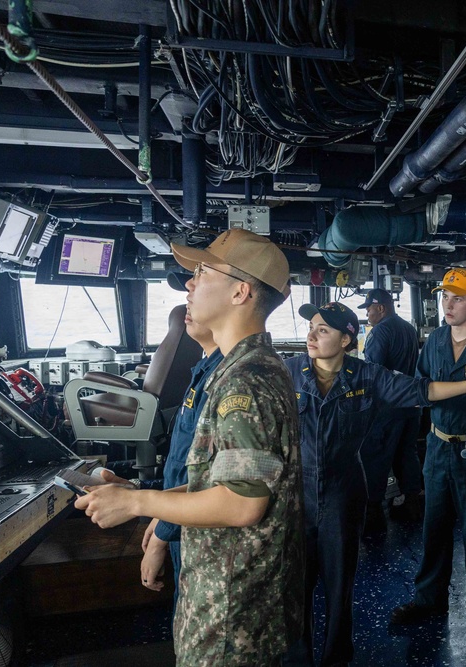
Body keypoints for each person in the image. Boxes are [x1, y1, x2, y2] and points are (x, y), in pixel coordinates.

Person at [75, 229, 304, 667]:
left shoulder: (247, 380)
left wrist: (138, 502)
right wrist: (138, 498)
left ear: (240, 292)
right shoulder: (235, 369)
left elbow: (242, 504)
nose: (190, 284)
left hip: (233, 608)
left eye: (202, 272)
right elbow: (217, 483)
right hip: (223, 594)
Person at [285, 301, 466, 666]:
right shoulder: (287, 371)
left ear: (347, 339)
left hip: (342, 492)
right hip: (294, 492)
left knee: (340, 587)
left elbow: (422, 390)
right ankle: (297, 660)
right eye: (312, 328)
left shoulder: (366, 376)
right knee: (293, 588)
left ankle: (336, 658)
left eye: (323, 330)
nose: (311, 336)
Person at [389, 268, 466, 642]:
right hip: (439, 447)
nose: (448, 305)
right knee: (434, 527)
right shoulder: (435, 340)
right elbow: (423, 386)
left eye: (457, 298)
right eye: (445, 297)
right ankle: (429, 599)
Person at [138, 273, 223, 609]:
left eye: (202, 279)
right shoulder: (202, 369)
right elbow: (186, 465)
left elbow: (217, 486)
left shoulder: (229, 379)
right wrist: (156, 507)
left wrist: (158, 525)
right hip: (183, 522)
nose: (189, 289)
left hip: (202, 535)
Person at [356, 287, 423, 532]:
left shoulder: (380, 332)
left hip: (387, 407)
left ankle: (373, 513)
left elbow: (372, 372)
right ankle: (412, 503)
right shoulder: (407, 328)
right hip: (411, 403)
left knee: (376, 456)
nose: (368, 315)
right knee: (407, 453)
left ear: (381, 308)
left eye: (369, 309)